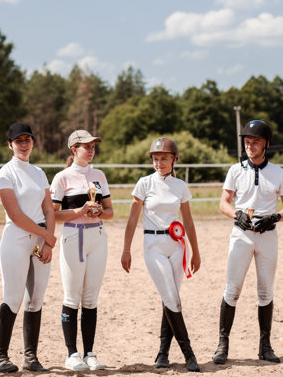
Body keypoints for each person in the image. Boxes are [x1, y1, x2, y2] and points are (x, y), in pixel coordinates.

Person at [121, 137, 201, 372]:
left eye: (164, 158)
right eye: (155, 159)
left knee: (170, 297)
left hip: (176, 244)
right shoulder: (144, 184)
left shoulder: (180, 186)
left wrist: (196, 251)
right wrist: (126, 248)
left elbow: (188, 220)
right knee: (172, 298)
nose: (159, 163)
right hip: (153, 244)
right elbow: (132, 219)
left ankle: (163, 354)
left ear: (175, 159)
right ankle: (189, 354)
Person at [212, 120, 283, 365]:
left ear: (266, 145)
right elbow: (223, 203)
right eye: (248, 142)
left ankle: (265, 346)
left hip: (267, 236)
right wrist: (237, 214)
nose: (250, 146)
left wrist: (275, 217)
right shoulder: (235, 170)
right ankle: (223, 344)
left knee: (265, 291)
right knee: (232, 289)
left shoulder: (278, 172)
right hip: (241, 235)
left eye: (255, 142)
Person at [0, 122, 57, 373]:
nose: (23, 144)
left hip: (40, 239)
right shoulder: (5, 173)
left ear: (33, 142)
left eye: (27, 140)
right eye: (18, 141)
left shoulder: (39, 172)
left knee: (36, 299)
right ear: (10, 145)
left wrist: (48, 241)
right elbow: (15, 214)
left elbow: (49, 209)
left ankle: (31, 357)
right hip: (17, 237)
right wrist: (46, 235)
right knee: (13, 297)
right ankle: (1, 357)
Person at [50, 130, 114, 371]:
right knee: (71, 296)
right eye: (86, 146)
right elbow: (53, 215)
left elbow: (110, 212)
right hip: (73, 236)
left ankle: (89, 353)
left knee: (90, 298)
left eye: (93, 146)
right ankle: (71, 353)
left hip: (97, 237)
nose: (91, 150)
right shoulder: (62, 178)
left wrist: (99, 212)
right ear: (73, 150)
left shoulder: (99, 176)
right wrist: (80, 211)